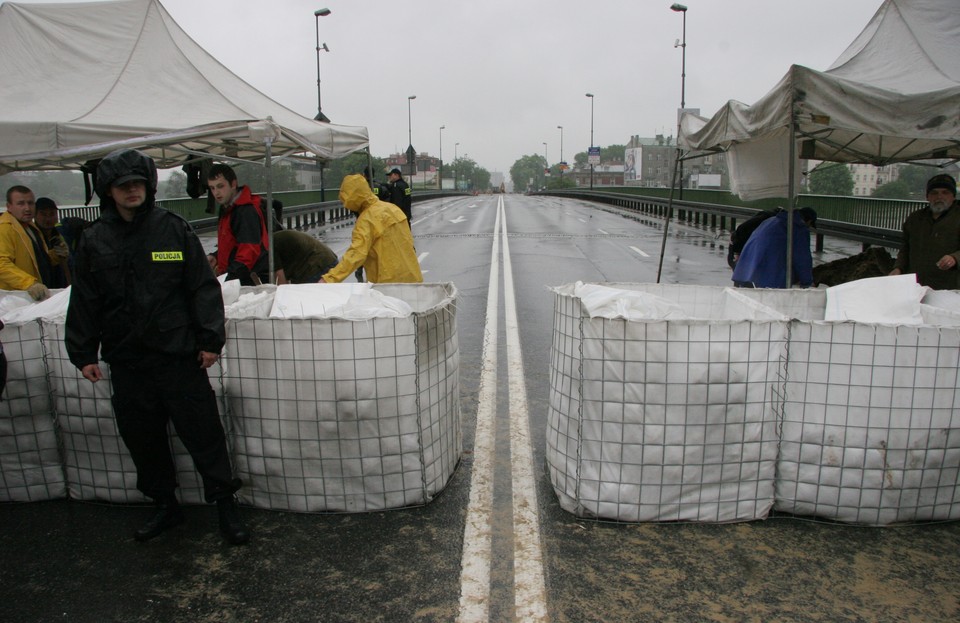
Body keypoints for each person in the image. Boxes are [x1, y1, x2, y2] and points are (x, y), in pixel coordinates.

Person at [65, 149, 249, 546]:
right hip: (128, 360)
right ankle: (166, 506)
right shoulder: (95, 240)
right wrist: (82, 353)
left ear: (148, 186)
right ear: (108, 191)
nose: (132, 191)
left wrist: (209, 340)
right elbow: (84, 300)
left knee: (203, 433)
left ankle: (225, 506)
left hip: (178, 356)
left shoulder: (172, 229)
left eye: (138, 184)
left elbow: (201, 288)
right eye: (123, 185)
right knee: (143, 438)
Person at [320, 174, 423, 284]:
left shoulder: (366, 221)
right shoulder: (393, 209)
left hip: (388, 285)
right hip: (413, 278)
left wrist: (329, 279)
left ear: (352, 201)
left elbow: (356, 254)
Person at [889, 173, 960, 290]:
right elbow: (906, 248)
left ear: (953, 196)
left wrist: (955, 258)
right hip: (917, 285)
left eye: (945, 192)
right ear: (927, 197)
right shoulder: (915, 218)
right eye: (934, 193)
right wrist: (898, 268)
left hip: (951, 287)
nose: (939, 197)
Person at [0, 185, 68, 299]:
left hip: (34, 295)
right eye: (21, 203)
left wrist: (55, 255)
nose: (27, 208)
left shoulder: (31, 227)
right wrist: (29, 284)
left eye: (31, 203)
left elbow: (38, 260)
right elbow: (2, 264)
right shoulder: (4, 228)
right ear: (9, 207)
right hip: (16, 299)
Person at [206, 163, 269, 285]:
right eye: (212, 188)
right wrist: (216, 256)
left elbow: (248, 253)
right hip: (237, 278)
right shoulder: (228, 208)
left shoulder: (245, 211)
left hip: (249, 282)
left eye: (220, 186)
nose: (216, 193)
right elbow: (232, 244)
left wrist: (227, 279)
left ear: (233, 184)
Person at [731, 207, 817, 288]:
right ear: (808, 221)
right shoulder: (798, 228)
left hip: (745, 270)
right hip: (769, 277)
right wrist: (807, 282)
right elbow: (802, 258)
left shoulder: (770, 221)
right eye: (809, 225)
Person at [272, 229, 338, 284]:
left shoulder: (269, 247)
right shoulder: (275, 239)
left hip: (318, 265)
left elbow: (282, 284)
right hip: (326, 259)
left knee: (304, 296)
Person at [34, 197, 71, 288]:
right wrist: (52, 256)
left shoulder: (59, 236)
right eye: (43, 214)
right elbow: (34, 263)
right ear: (34, 215)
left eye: (52, 214)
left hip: (60, 287)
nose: (48, 219)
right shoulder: (32, 237)